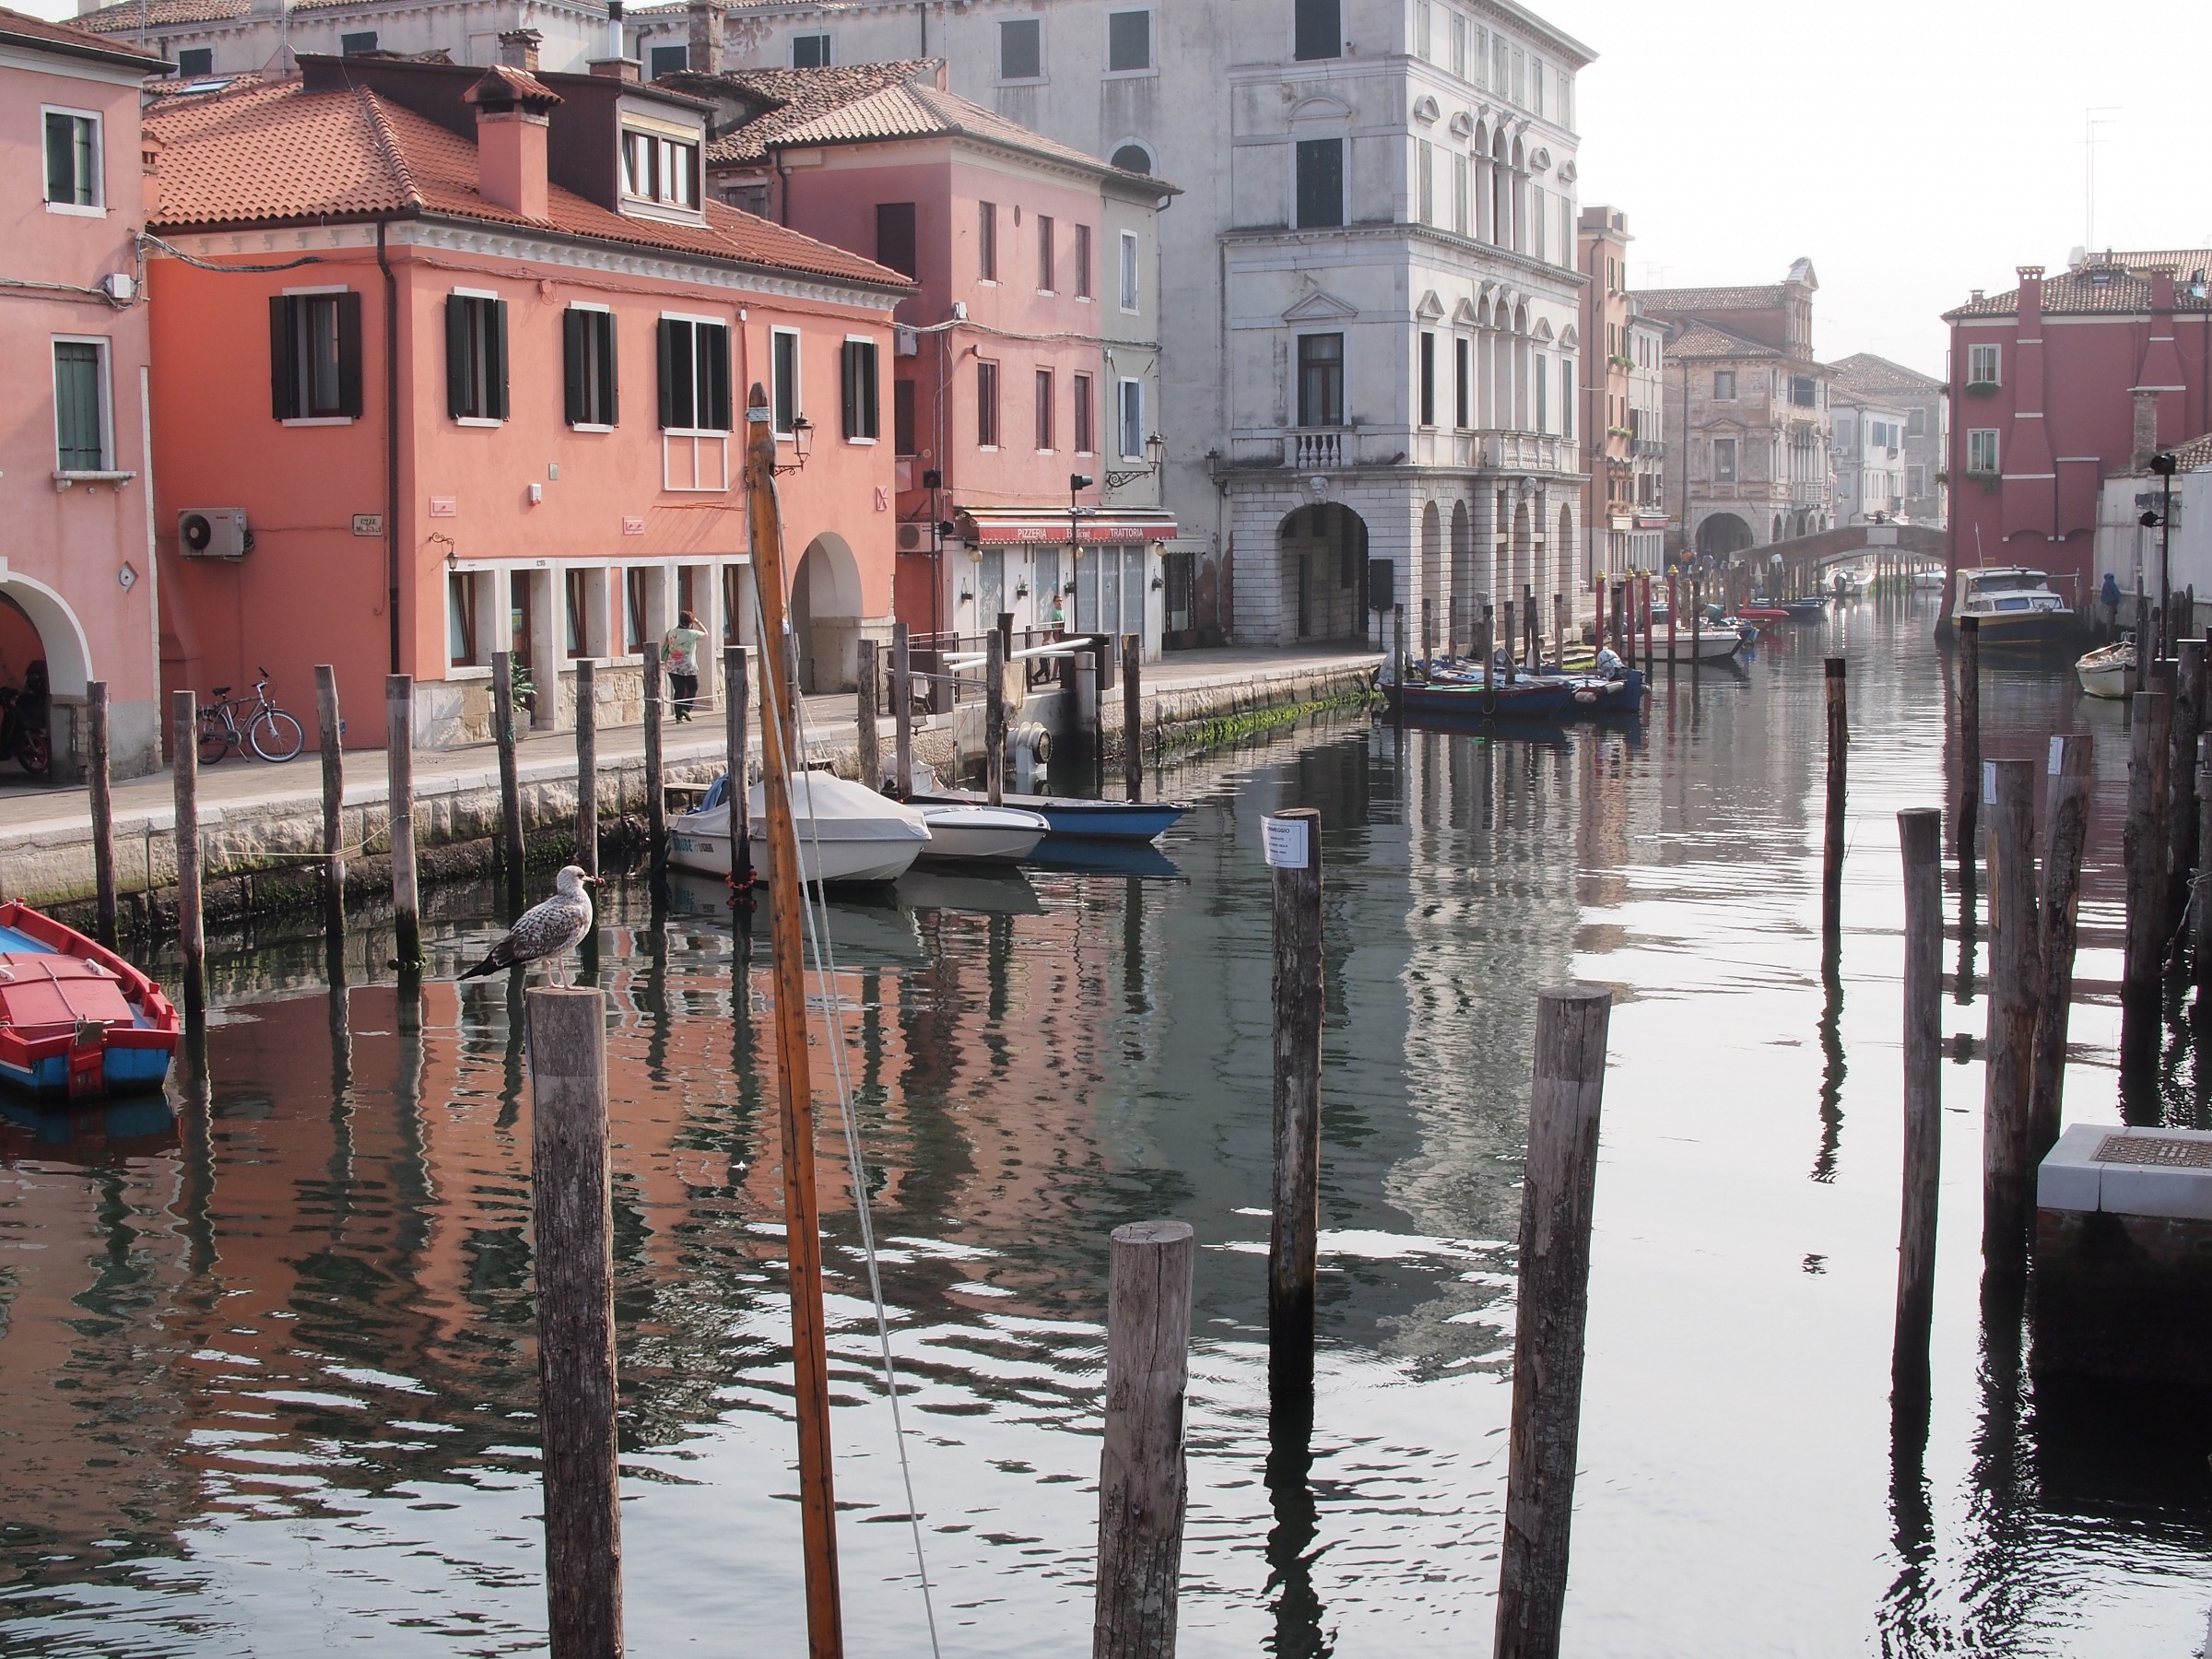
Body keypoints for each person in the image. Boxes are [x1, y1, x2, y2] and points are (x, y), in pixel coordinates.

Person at [662, 611, 705, 723]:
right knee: (693, 687)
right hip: (688, 666)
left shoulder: (671, 632)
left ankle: (678, 717)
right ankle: (686, 708)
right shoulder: (692, 633)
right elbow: (706, 634)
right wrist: (698, 622)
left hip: (672, 665)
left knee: (679, 690)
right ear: (690, 623)